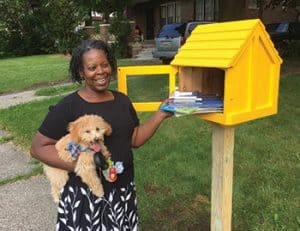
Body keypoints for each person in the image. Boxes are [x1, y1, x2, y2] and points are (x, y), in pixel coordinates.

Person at [30, 39, 172, 230]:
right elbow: (38, 148)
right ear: (81, 72)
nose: (100, 71)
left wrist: (160, 115)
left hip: (122, 190)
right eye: (92, 67)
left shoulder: (122, 101)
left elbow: (134, 139)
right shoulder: (69, 106)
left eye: (105, 65)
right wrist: (81, 164)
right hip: (85, 194)